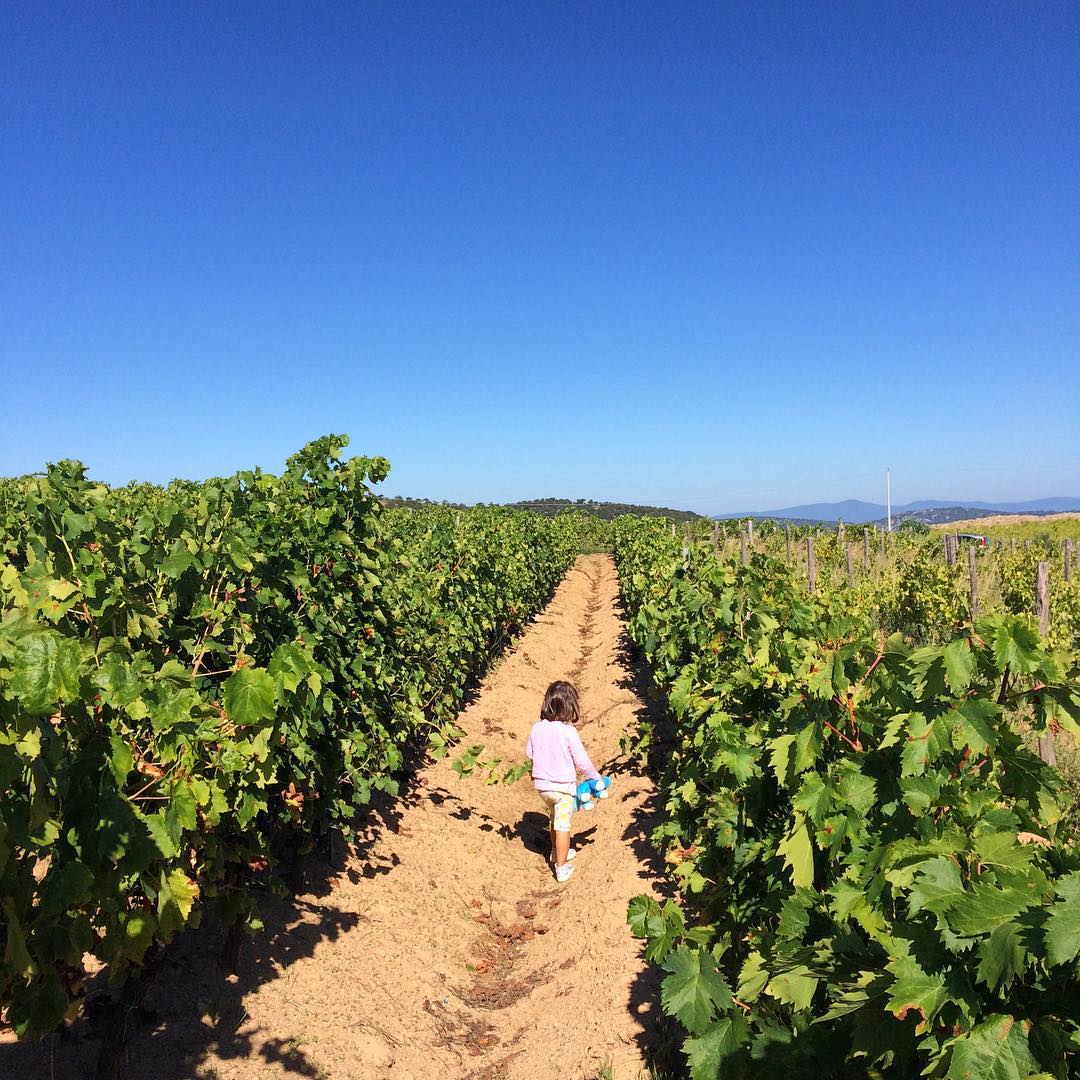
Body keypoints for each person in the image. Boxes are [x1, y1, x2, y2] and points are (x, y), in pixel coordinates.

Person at [526, 680, 601, 883]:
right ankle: (561, 867)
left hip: (543, 787)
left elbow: (529, 753)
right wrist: (596, 777)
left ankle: (555, 852)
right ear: (571, 708)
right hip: (562, 788)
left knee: (553, 819)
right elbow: (582, 761)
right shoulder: (569, 732)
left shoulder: (537, 728)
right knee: (563, 826)